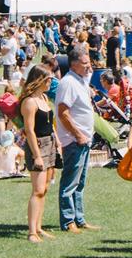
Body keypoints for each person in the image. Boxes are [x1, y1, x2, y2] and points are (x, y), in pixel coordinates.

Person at [56, 44, 98, 233]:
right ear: (73, 65)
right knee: (70, 183)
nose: (89, 66)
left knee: (80, 183)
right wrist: (78, 134)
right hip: (74, 140)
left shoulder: (80, 79)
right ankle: (67, 221)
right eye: (85, 63)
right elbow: (63, 112)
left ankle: (79, 218)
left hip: (84, 139)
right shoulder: (68, 83)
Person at [19, 65, 60, 243]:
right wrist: (36, 155)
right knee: (37, 190)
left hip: (50, 143)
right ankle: (31, 232)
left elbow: (50, 124)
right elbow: (29, 130)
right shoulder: (29, 102)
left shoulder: (44, 98)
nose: (51, 82)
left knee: (45, 189)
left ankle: (39, 227)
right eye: (48, 79)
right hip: (38, 145)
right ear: (39, 80)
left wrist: (57, 142)